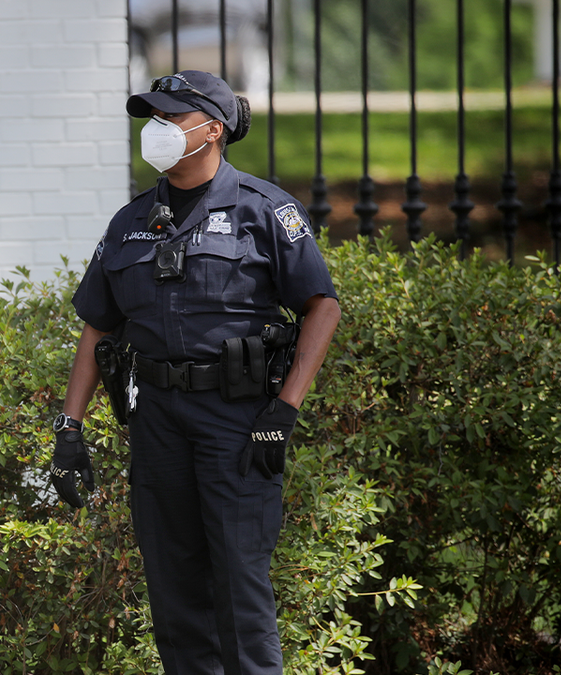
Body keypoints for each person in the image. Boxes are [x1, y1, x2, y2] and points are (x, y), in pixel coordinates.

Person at [47, 70, 341, 675]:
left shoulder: (266, 210)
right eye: (151, 117)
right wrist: (68, 428)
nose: (156, 130)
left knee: (240, 585)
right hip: (156, 420)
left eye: (170, 117)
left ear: (213, 129)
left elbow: (322, 307)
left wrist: (283, 410)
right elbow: (98, 326)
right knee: (174, 592)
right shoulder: (129, 221)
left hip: (236, 420)